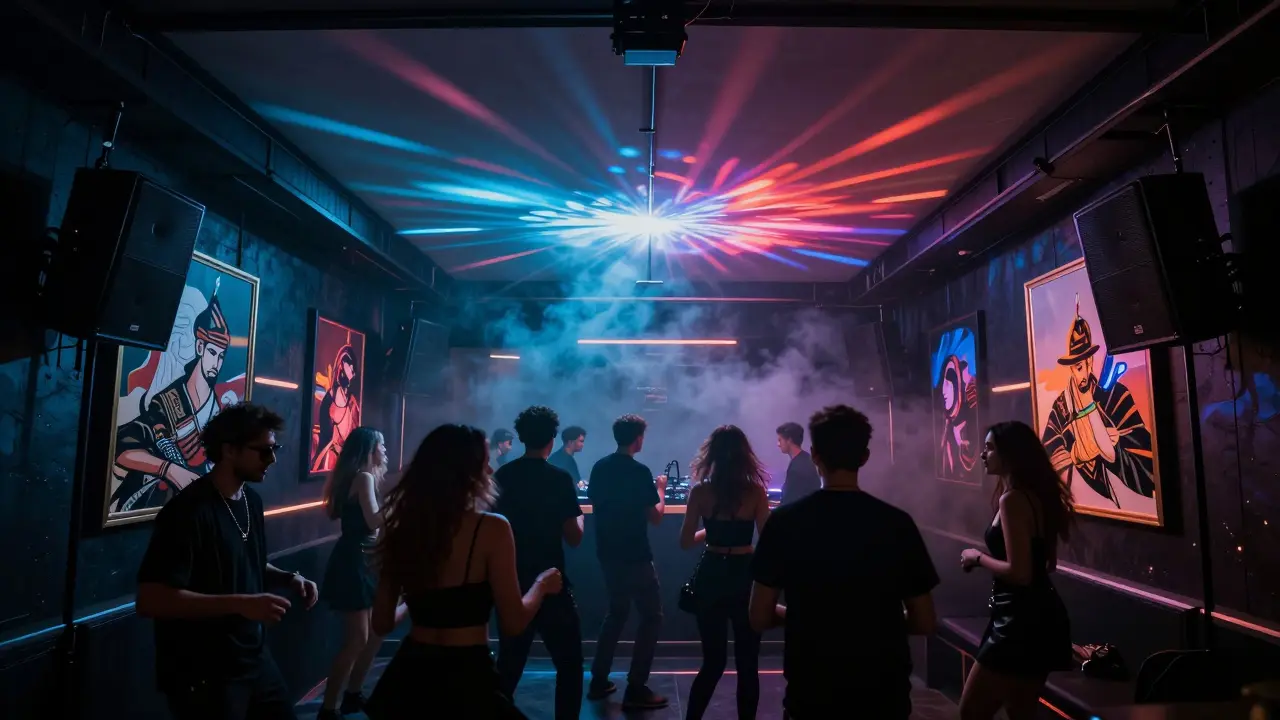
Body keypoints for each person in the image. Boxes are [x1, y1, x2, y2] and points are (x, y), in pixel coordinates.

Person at [750, 405, 939, 719]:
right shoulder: (897, 524)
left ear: (814, 456)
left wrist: (807, 616)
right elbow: (925, 621)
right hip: (883, 691)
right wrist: (871, 621)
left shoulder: (783, 523)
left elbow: (758, 616)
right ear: (864, 457)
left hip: (811, 690)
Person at [365, 424, 563, 719]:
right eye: (485, 464)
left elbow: (381, 623)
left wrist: (415, 601)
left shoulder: (402, 529)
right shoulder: (492, 529)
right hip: (467, 673)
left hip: (411, 674)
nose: (491, 472)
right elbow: (513, 622)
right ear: (468, 473)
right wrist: (541, 585)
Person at [136, 402, 319, 720]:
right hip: (203, 671)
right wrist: (241, 603)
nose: (272, 459)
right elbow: (151, 599)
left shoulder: (251, 501)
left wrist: (288, 578)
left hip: (253, 659)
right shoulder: (188, 511)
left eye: (274, 449)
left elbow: (243, 561)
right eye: (263, 451)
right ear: (230, 450)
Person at [958, 421, 1074, 720]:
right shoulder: (1034, 497)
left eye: (990, 448)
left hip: (1018, 624)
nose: (983, 454)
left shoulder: (1012, 500)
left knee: (971, 711)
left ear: (1011, 454)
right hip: (1038, 617)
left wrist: (977, 557)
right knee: (1019, 713)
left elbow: (1020, 573)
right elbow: (1047, 564)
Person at [494, 407, 585, 719]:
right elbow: (574, 537)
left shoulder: (502, 476)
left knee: (507, 667)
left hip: (510, 581)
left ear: (520, 437)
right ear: (553, 438)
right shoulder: (559, 479)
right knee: (570, 666)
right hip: (551, 583)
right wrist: (580, 517)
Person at [680, 425, 771, 720]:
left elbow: (684, 542)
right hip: (744, 574)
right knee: (748, 662)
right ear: (745, 455)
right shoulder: (756, 492)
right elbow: (767, 540)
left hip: (711, 573)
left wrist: (714, 530)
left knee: (713, 662)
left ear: (713, 454)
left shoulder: (700, 491)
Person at [585, 414, 668, 710]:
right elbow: (656, 516)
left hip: (608, 553)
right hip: (635, 554)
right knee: (652, 616)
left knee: (617, 613)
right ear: (637, 439)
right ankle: (636, 687)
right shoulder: (640, 471)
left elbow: (596, 504)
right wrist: (660, 488)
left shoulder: (600, 467)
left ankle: (598, 680)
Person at [317, 427, 394, 720]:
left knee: (373, 634)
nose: (385, 450)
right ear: (369, 449)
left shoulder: (360, 477)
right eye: (382, 445)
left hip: (362, 559)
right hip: (355, 561)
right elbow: (374, 521)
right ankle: (329, 709)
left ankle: (352, 694)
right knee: (357, 639)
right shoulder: (363, 477)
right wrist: (398, 505)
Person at [776, 422, 820, 505]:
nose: (778, 444)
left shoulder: (798, 467)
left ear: (789, 440)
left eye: (780, 440)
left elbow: (790, 500)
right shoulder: (806, 459)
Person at [548, 425, 587, 490]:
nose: (583, 444)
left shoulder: (562, 457)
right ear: (570, 442)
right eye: (581, 441)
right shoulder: (563, 460)